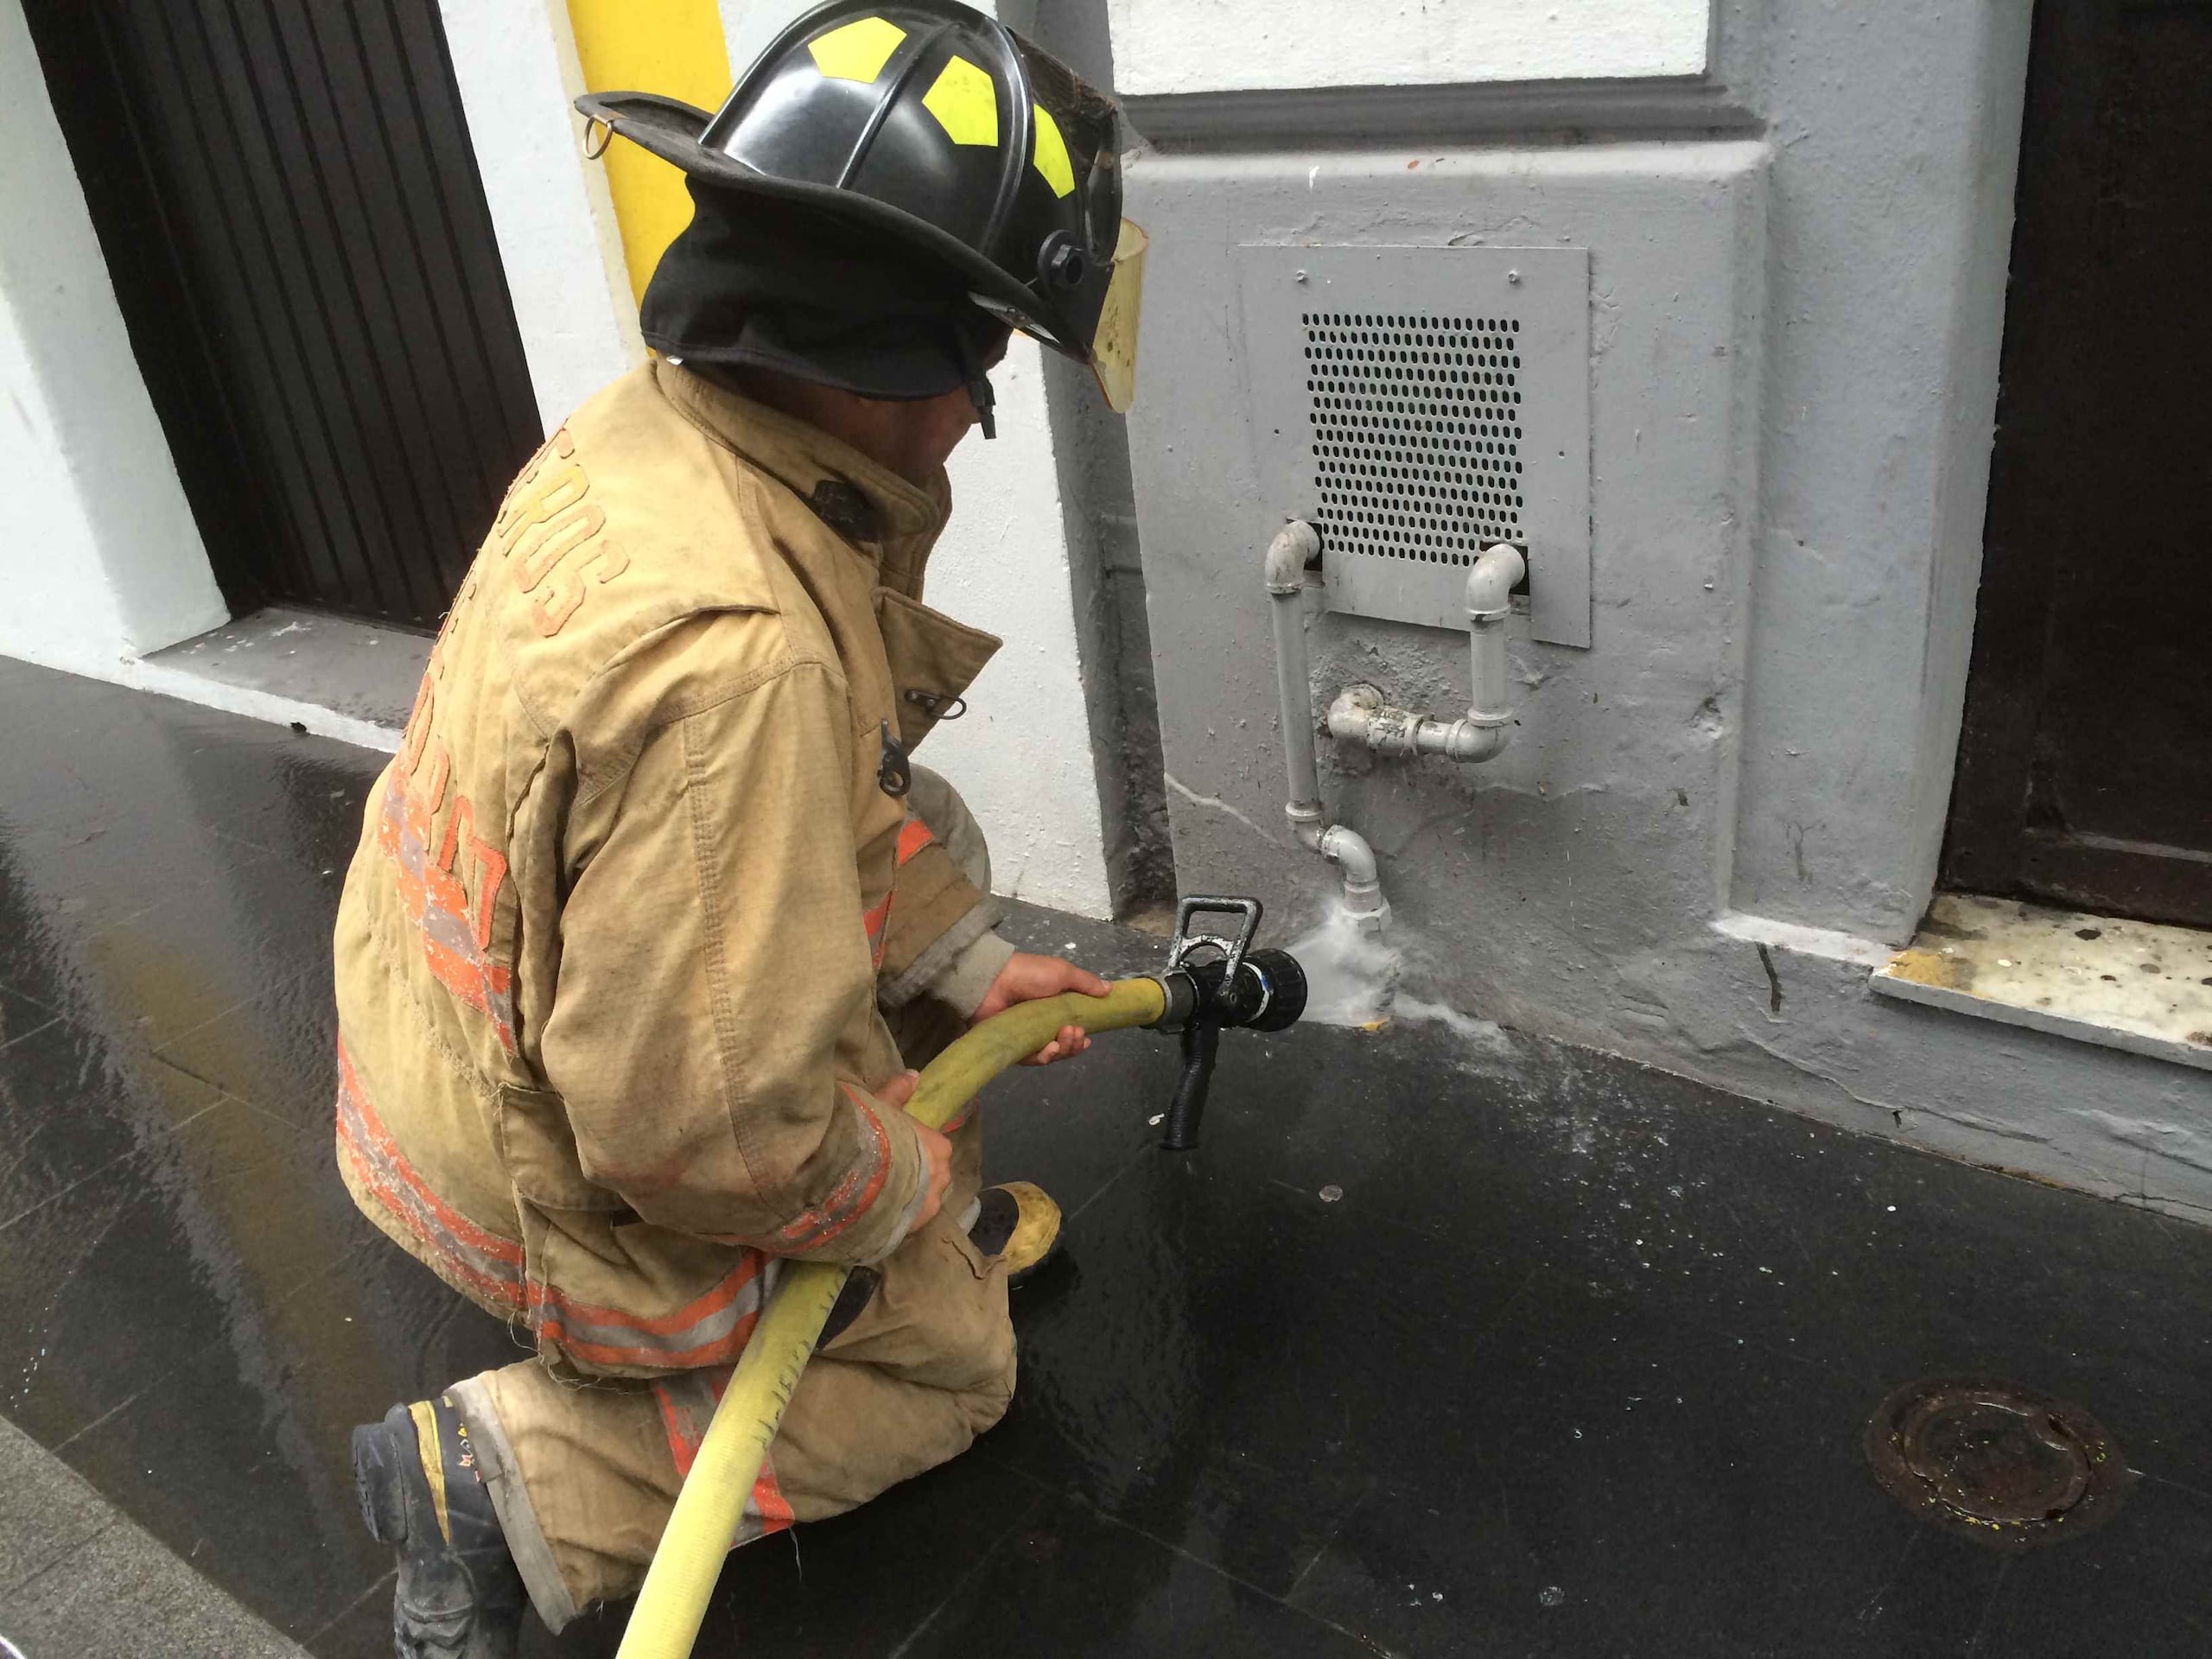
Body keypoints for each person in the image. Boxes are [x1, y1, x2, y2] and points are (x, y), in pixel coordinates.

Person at [331, 5, 1146, 1651]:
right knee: (950, 1371)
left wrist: (965, 971)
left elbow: (783, 817)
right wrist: (906, 1177)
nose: (973, 410)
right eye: (977, 359)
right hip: (542, 1176)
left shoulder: (657, 432)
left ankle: (865, 1229)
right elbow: (692, 1138)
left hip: (425, 1044)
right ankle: (504, 1484)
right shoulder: (742, 658)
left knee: (953, 845)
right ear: (893, 370)